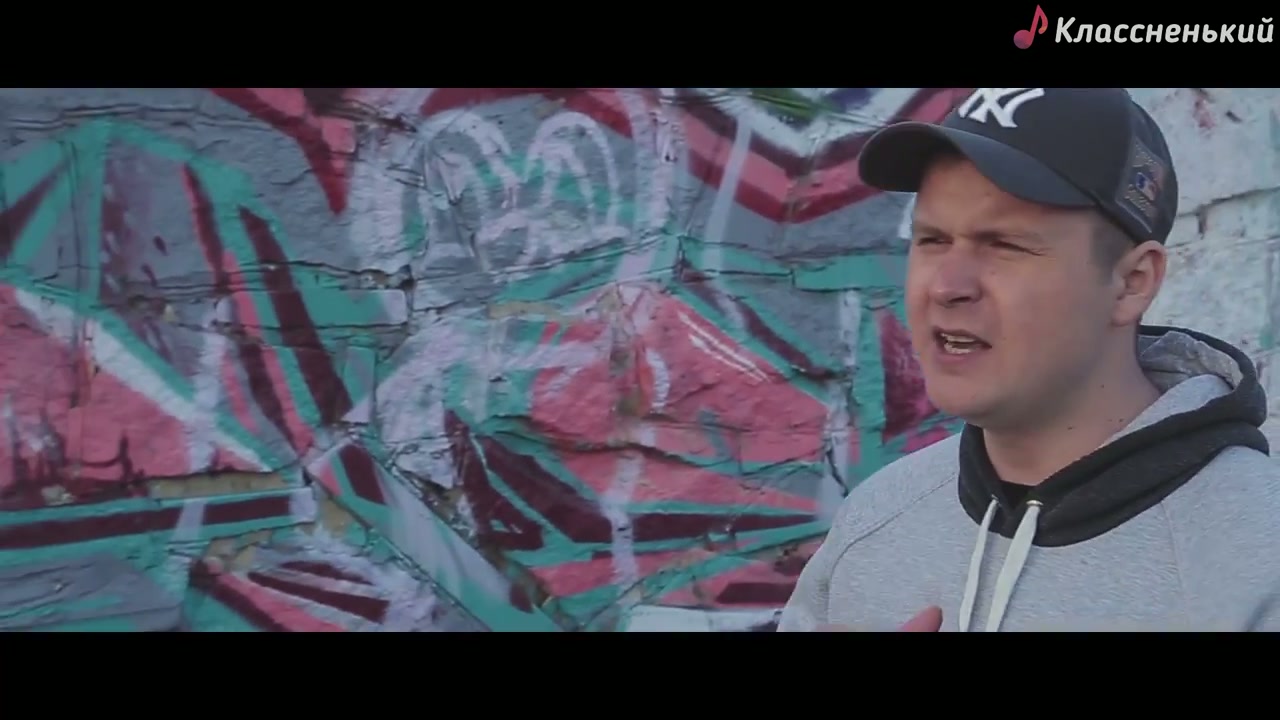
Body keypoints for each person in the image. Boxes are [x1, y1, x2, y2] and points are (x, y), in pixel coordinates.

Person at [778, 87, 1280, 632]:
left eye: (1006, 245)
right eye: (932, 240)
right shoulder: (875, 520)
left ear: (1132, 282)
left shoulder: (1255, 559)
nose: (946, 286)